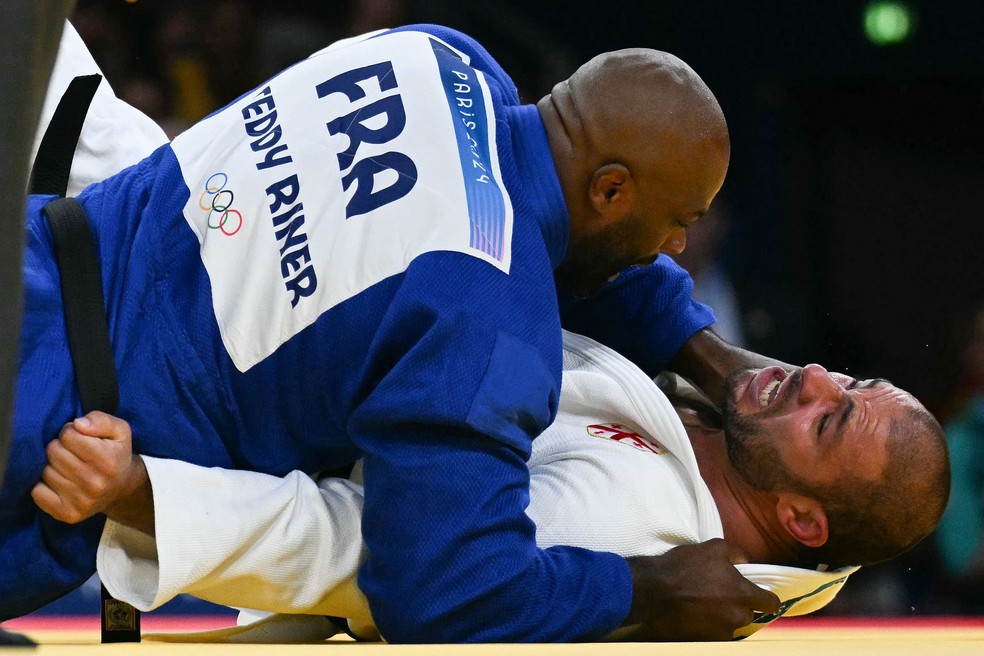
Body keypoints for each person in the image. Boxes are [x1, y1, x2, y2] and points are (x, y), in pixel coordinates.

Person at [5, 23, 784, 640]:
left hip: (33, 242)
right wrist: (647, 586)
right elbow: (445, 593)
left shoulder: (434, 52)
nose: (677, 247)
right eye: (677, 220)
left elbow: (551, 231)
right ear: (611, 189)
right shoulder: (485, 325)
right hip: (42, 419)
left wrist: (703, 352)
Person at [35, 331, 950, 641]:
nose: (820, 375)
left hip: (187, 401)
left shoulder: (634, 526)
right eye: (856, 384)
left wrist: (145, 492)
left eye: (831, 420)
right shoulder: (730, 460)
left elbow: (376, 559)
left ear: (798, 517)